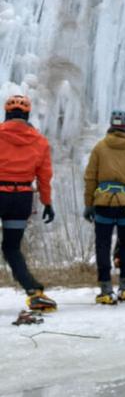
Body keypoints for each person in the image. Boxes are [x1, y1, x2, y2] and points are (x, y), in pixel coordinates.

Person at [84, 109, 125, 304]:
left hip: (103, 200)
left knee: (102, 246)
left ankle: (105, 288)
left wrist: (89, 204)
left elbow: (90, 178)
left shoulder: (99, 148)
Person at [0, 93, 56, 310]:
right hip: (21, 198)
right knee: (12, 248)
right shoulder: (39, 141)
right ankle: (33, 292)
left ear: (6, 113)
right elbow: (44, 176)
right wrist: (47, 202)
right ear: (27, 114)